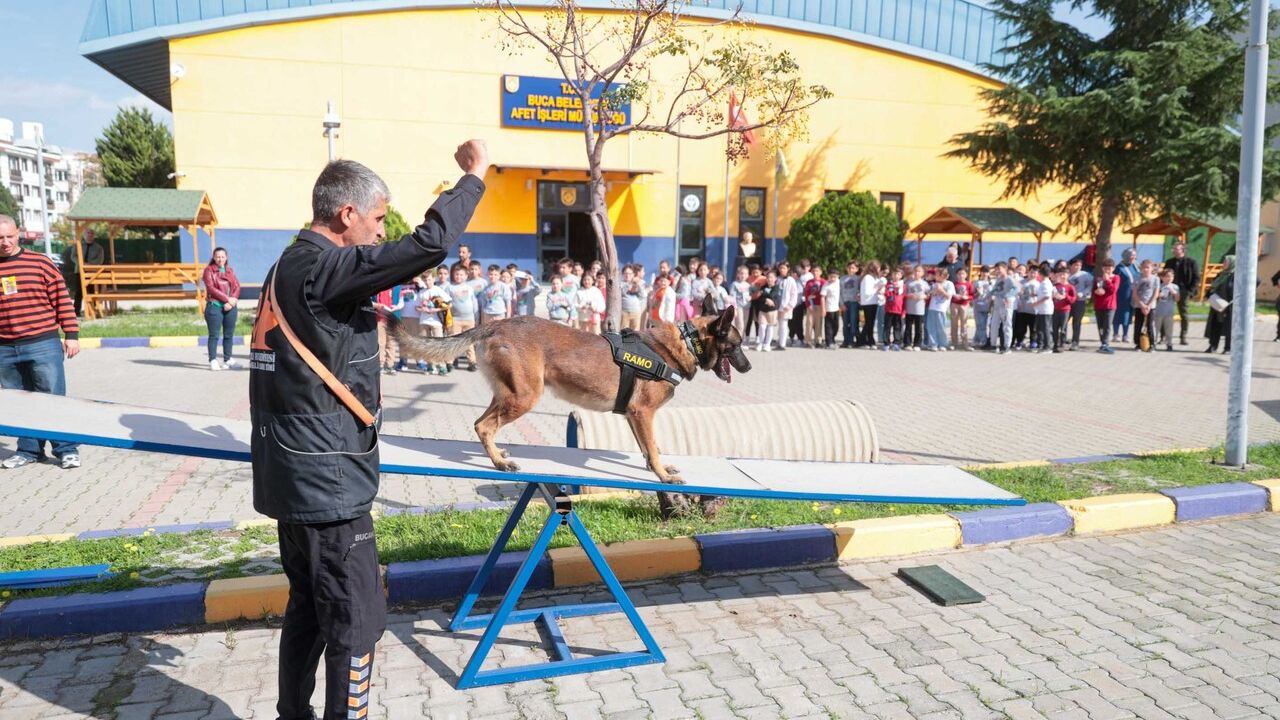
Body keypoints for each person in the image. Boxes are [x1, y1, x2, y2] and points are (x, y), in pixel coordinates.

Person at [249, 146, 485, 720]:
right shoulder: (325, 267)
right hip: (327, 483)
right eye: (378, 218)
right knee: (355, 621)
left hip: (294, 474)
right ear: (347, 213)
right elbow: (428, 245)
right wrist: (473, 178)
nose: (381, 231)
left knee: (308, 610)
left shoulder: (288, 265)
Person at [0, 214, 81, 470]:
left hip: (42, 343)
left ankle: (66, 449)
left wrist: (71, 334)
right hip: (4, 348)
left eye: (9, 236)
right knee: (18, 403)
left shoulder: (40, 262)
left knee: (52, 399)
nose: (5, 242)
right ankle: (29, 451)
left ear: (18, 234)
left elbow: (61, 298)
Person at [200, 247, 242, 371]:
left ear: (226, 257)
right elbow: (211, 288)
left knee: (229, 335)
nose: (220, 259)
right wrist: (227, 299)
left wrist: (233, 300)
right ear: (214, 257)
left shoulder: (230, 270)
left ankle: (227, 359)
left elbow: (237, 286)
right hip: (215, 306)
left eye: (223, 256)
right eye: (218, 256)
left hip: (230, 307)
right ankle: (213, 360)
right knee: (214, 335)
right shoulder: (208, 271)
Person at [1164, 241, 1200, 345]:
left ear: (1182, 250)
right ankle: (1163, 336)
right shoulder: (1169, 262)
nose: (1174, 251)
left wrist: (1190, 292)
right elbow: (1164, 275)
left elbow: (1196, 278)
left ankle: (1183, 337)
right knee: (1165, 313)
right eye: (1173, 249)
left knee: (1183, 314)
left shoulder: (1191, 262)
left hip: (1184, 291)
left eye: (1176, 249)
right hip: (1169, 290)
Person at [416, 272, 452, 374]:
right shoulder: (422, 292)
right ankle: (430, 365)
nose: (427, 282)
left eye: (429, 280)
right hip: (424, 321)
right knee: (426, 344)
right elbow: (416, 307)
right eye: (425, 280)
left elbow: (449, 304)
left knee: (438, 344)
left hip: (436, 321)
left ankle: (442, 366)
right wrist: (423, 309)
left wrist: (436, 310)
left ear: (433, 279)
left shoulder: (438, 290)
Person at [446, 263, 478, 371]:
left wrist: (476, 316)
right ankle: (450, 363)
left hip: (469, 319)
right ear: (453, 275)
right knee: (454, 341)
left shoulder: (469, 288)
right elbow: (447, 303)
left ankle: (472, 362)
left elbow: (474, 302)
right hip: (456, 319)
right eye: (456, 274)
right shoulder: (450, 288)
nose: (458, 276)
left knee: (469, 342)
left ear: (466, 276)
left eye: (461, 275)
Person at [1205, 255, 1235, 354]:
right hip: (1217, 304)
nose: (1223, 264)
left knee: (1229, 326)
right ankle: (1213, 345)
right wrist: (1209, 293)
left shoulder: (1235, 276)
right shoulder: (1220, 274)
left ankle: (1228, 348)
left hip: (1229, 305)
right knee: (1215, 324)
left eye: (1225, 262)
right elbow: (1213, 286)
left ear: (1232, 263)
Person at [1093, 258, 1120, 354]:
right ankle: (1102, 343)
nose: (1107, 270)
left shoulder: (1116, 277)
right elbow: (1094, 290)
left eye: (1109, 268)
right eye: (1105, 268)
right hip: (1099, 305)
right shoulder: (1098, 278)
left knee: (1107, 325)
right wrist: (1096, 292)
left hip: (1110, 305)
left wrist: (1108, 280)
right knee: (1100, 326)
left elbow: (1113, 290)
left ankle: (1105, 344)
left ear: (1113, 268)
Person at [989, 262, 1017, 355]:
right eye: (996, 269)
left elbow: (1016, 289)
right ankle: (993, 345)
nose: (997, 271)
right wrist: (990, 294)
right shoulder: (998, 279)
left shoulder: (1010, 279)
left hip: (1006, 305)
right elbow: (995, 289)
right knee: (994, 324)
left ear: (1005, 269)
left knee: (1007, 325)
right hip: (997, 305)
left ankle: (1007, 346)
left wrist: (1008, 296)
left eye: (999, 269)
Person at [1131, 259, 1160, 352]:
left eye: (1147, 267)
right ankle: (1138, 344)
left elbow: (1156, 293)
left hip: (1151, 306)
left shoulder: (1155, 279)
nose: (1145, 269)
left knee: (1150, 325)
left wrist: (1149, 305)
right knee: (1138, 325)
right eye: (1143, 267)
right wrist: (1142, 305)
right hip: (1139, 305)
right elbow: (1134, 293)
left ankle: (1152, 344)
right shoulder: (1136, 278)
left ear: (1152, 268)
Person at [1113, 248, 1138, 344]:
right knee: (1118, 314)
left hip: (1132, 295)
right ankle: (1116, 334)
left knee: (1128, 314)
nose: (1133, 257)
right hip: (1120, 295)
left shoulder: (1135, 266)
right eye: (1132, 255)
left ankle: (1125, 334)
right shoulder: (1119, 268)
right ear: (1126, 255)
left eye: (1134, 255)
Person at [925, 267, 954, 351]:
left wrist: (941, 290)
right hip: (932, 308)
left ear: (944, 276)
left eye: (938, 275)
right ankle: (933, 344)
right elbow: (929, 294)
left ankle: (943, 344)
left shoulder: (949, 284)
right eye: (936, 275)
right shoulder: (934, 284)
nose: (935, 277)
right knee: (931, 327)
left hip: (942, 309)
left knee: (941, 327)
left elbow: (948, 296)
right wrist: (932, 292)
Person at [1067, 258, 1092, 351]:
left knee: (1076, 323)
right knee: (1064, 321)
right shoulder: (1066, 275)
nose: (1078, 267)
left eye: (1080, 265)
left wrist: (1084, 293)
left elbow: (1090, 286)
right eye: (1076, 265)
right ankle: (1061, 340)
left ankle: (1075, 342)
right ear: (1071, 266)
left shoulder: (1086, 275)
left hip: (1079, 301)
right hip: (1067, 302)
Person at [753, 270, 781, 351]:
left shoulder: (776, 287)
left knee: (770, 327)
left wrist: (764, 295)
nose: (769, 279)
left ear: (775, 279)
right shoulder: (763, 287)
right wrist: (766, 299)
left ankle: (767, 344)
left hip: (772, 311)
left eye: (771, 277)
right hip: (762, 310)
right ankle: (760, 343)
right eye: (768, 277)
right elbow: (760, 298)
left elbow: (773, 295)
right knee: (762, 327)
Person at [1030, 266, 1054, 354]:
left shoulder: (1046, 283)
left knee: (1046, 328)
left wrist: (1036, 303)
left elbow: (1046, 296)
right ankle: (1042, 345)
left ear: (1040, 274)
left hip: (1045, 309)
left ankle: (1048, 347)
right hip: (1041, 310)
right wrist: (1035, 294)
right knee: (1040, 328)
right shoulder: (1043, 282)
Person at [1051, 267, 1076, 353]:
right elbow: (1050, 297)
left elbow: (1073, 299)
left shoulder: (1070, 287)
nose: (1062, 276)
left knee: (1063, 328)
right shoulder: (1055, 286)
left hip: (1065, 310)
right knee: (1054, 328)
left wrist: (1066, 297)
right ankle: (1055, 344)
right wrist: (1053, 296)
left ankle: (1062, 344)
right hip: (1055, 309)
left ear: (1068, 275)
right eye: (1060, 274)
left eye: (1064, 274)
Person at [1154, 269, 1180, 352]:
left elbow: (1177, 299)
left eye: (1171, 276)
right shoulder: (1159, 286)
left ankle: (1169, 344)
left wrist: (1174, 292)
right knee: (1156, 328)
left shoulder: (1175, 287)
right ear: (1162, 277)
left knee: (1169, 329)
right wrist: (1159, 295)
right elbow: (1155, 298)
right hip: (1158, 311)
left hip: (1169, 312)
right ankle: (1153, 343)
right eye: (1167, 276)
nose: (1169, 278)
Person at [904, 264, 928, 351]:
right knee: (908, 326)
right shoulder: (908, 282)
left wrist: (924, 296)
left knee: (919, 327)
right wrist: (909, 295)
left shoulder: (924, 283)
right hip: (909, 308)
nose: (917, 273)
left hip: (920, 309)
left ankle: (917, 344)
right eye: (915, 271)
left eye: (919, 271)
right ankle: (907, 343)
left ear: (923, 273)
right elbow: (903, 293)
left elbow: (928, 294)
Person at [858, 261, 882, 348]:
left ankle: (865, 340)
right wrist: (877, 289)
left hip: (873, 302)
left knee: (870, 323)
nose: (879, 269)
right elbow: (867, 293)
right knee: (869, 323)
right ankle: (868, 341)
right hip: (868, 303)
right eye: (878, 268)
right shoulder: (867, 278)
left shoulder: (874, 278)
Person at [882, 267, 905, 351]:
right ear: (892, 275)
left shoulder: (903, 286)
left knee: (897, 327)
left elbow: (904, 299)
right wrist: (894, 289)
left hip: (898, 310)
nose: (896, 276)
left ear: (901, 275)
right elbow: (887, 294)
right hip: (889, 309)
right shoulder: (888, 284)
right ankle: (886, 343)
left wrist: (904, 311)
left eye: (898, 274)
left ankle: (896, 343)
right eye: (894, 274)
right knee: (887, 327)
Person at [803, 265, 826, 348]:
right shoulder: (809, 282)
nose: (815, 273)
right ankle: (808, 341)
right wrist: (808, 305)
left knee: (818, 323)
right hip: (810, 305)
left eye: (817, 271)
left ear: (821, 272)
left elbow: (824, 294)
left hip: (820, 305)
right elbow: (806, 295)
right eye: (814, 271)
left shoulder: (824, 282)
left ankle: (818, 341)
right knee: (809, 323)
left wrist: (823, 306)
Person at [950, 267, 973, 350]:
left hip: (964, 305)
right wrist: (954, 296)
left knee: (964, 324)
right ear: (956, 275)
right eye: (959, 274)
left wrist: (967, 297)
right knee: (954, 324)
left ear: (966, 275)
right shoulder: (953, 284)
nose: (961, 275)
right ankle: (954, 343)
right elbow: (950, 294)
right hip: (954, 304)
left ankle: (965, 343)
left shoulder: (969, 284)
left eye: (963, 274)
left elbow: (972, 295)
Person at [839, 261, 861, 348]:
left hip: (854, 303)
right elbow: (839, 292)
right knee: (845, 323)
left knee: (853, 322)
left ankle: (852, 341)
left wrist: (859, 297)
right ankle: (846, 341)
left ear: (856, 269)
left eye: (853, 268)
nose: (850, 270)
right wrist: (841, 304)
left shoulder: (858, 279)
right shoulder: (842, 279)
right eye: (849, 268)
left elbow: (861, 290)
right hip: (845, 303)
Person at [620, 265, 647, 330]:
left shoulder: (637, 283)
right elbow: (623, 292)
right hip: (624, 313)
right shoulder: (621, 283)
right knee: (624, 332)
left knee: (635, 332)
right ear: (622, 274)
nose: (627, 275)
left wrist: (639, 286)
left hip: (636, 312)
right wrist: (630, 283)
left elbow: (643, 296)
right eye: (625, 273)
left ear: (633, 274)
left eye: (630, 274)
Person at [971, 265, 992, 349]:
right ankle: (983, 341)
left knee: (984, 324)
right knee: (980, 324)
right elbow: (972, 294)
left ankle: (977, 339)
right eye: (983, 271)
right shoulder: (976, 282)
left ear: (989, 273)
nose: (985, 273)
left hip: (988, 305)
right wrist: (977, 293)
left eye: (986, 272)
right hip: (978, 305)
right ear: (980, 272)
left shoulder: (992, 282)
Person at [821, 269, 841, 349]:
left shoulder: (838, 282)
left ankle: (832, 340)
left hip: (836, 309)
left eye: (834, 277)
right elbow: (822, 297)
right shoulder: (826, 285)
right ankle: (828, 343)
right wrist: (823, 309)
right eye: (831, 277)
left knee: (836, 326)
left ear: (838, 276)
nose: (832, 278)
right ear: (828, 276)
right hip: (828, 308)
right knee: (828, 326)